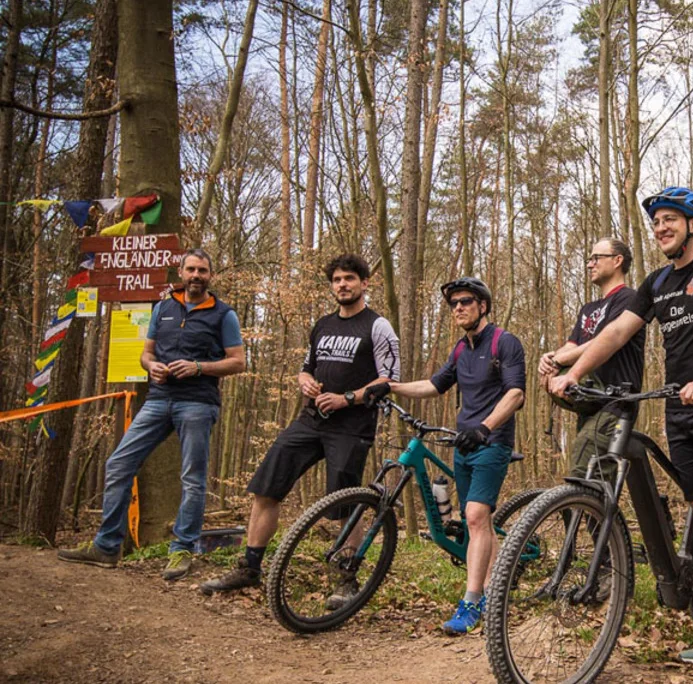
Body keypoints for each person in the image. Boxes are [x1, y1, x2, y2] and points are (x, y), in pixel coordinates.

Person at [550, 187, 693, 684]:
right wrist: (575, 370)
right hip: (677, 408)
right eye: (657, 223)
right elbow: (615, 334)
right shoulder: (657, 282)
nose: (661, 228)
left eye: (671, 220)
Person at [198, 254, 399, 604]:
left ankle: (345, 579)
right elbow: (307, 368)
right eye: (336, 279)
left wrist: (347, 398)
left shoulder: (377, 326)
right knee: (266, 487)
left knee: (345, 503)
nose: (342, 285)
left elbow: (390, 379)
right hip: (310, 420)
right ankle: (250, 567)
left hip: (352, 425)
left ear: (365, 283)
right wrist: (305, 381)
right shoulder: (322, 325)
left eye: (349, 278)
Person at [58, 248, 246, 581]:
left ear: (210, 276)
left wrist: (199, 366)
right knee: (118, 463)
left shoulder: (223, 314)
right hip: (159, 398)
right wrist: (152, 367)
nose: (196, 276)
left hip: (198, 403)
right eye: (191, 269)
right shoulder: (163, 308)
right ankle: (106, 546)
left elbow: (238, 361)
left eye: (202, 270)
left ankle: (182, 550)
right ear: (181, 271)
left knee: (192, 479)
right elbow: (146, 353)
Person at [377, 277, 526, 635]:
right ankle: (493, 591)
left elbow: (516, 394)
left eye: (465, 301)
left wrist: (485, 428)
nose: (458, 307)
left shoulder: (505, 343)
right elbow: (433, 385)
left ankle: (471, 602)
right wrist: (391, 387)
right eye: (453, 304)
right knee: (478, 521)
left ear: (483, 306)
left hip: (492, 442)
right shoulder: (460, 350)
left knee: (475, 516)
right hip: (464, 443)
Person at [538, 237, 646, 480]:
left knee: (584, 476)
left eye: (596, 258)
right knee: (585, 476)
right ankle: (602, 519)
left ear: (618, 261)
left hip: (616, 401)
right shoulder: (588, 309)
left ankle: (596, 518)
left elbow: (606, 339)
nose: (589, 264)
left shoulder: (629, 299)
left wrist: (561, 359)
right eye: (589, 259)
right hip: (590, 403)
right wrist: (550, 358)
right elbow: (572, 346)